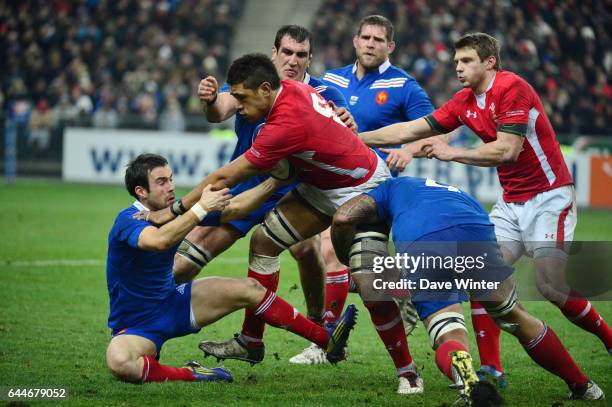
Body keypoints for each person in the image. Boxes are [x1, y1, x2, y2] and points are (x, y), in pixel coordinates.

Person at [143, 53, 424, 394]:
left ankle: (408, 371)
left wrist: (171, 211)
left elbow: (225, 176)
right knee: (263, 242)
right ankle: (252, 340)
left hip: (364, 187)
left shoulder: (283, 125)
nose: (240, 107)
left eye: (243, 99)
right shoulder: (289, 88)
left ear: (264, 89)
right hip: (321, 187)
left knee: (368, 285)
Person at [358, 32, 612, 387]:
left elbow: (506, 150)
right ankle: (492, 368)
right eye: (457, 62)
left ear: (489, 61)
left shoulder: (512, 88)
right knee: (481, 277)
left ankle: (608, 339)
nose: (458, 67)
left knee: (550, 285)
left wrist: (452, 152)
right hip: (510, 203)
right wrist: (356, 138)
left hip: (549, 196)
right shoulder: (464, 101)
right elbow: (412, 128)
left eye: (466, 61)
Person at [331, 176, 604, 402]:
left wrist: (346, 258)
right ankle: (583, 385)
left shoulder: (386, 190)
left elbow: (344, 217)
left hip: (425, 240)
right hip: (476, 230)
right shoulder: (442, 188)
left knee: (447, 330)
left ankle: (468, 379)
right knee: (515, 317)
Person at [173, 27, 355, 358]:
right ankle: (146, 322)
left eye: (301, 55)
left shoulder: (326, 93)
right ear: (274, 53)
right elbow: (220, 110)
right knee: (183, 265)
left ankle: (315, 330)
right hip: (245, 186)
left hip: (292, 191)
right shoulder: (253, 81)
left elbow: (343, 132)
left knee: (305, 251)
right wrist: (211, 100)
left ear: (310, 58)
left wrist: (348, 123)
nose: (293, 60)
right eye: (287, 52)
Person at [106, 154, 357, 384]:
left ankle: (327, 340)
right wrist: (201, 208)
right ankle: (193, 374)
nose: (170, 186)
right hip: (137, 324)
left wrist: (275, 182)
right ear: (141, 191)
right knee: (121, 364)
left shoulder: (175, 211)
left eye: (170, 179)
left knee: (250, 289)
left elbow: (238, 208)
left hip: (174, 303)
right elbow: (160, 241)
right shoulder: (128, 219)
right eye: (161, 182)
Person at [291, 14, 436, 369]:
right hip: (330, 181)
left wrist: (409, 149)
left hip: (372, 187)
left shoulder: (404, 86)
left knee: (331, 251)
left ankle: (324, 342)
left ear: (391, 46)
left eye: (378, 39)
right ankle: (399, 290)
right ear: (355, 41)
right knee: (305, 249)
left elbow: (436, 129)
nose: (370, 43)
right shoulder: (332, 79)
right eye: (365, 37)